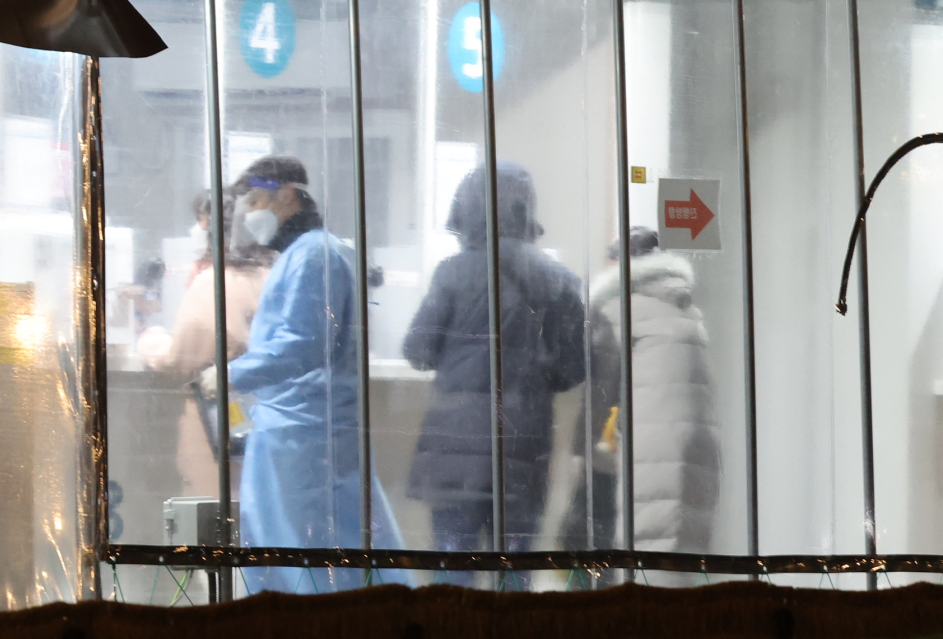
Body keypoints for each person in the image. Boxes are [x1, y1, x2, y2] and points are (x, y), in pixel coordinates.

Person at [210, 155, 407, 593]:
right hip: (294, 431)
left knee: (311, 554)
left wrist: (233, 374)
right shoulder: (304, 255)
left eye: (258, 199)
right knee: (282, 546)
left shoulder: (316, 255)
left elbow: (305, 341)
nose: (251, 213)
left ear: (288, 195)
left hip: (309, 437)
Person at [402, 162, 585, 576]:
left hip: (454, 452)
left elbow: (418, 350)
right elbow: (573, 369)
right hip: (524, 448)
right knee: (516, 574)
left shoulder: (452, 273)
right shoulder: (559, 279)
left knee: (455, 572)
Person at [578, 226, 719, 580]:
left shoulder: (618, 308)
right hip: (699, 449)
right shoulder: (686, 310)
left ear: (620, 263)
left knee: (644, 555)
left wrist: (579, 447)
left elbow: (601, 393)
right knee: (682, 557)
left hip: (651, 450)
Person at [141, 190, 275, 495]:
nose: (198, 229)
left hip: (219, 415)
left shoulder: (215, 281)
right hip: (264, 413)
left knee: (213, 509)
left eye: (202, 221)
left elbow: (182, 356)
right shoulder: (272, 273)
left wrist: (150, 340)